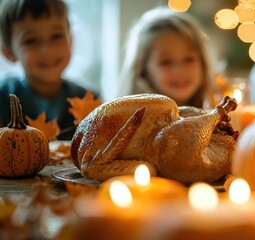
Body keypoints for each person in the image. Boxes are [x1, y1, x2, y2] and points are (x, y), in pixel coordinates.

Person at [0, 0, 97, 140]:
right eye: (31, 41)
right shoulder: (3, 98)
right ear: (9, 52)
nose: (47, 51)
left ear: (70, 40)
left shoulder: (89, 101)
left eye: (56, 36)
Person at [118, 7, 217, 109]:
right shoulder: (130, 123)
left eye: (189, 59)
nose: (180, 70)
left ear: (203, 63)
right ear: (143, 70)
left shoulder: (218, 116)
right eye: (166, 62)